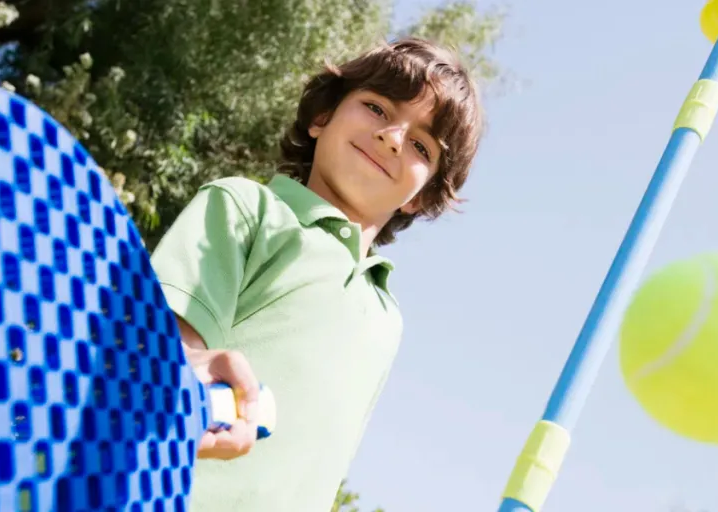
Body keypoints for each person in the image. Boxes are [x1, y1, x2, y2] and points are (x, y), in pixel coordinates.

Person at [149, 37, 484, 511]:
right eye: (376, 107)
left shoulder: (387, 319)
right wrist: (179, 364)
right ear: (321, 117)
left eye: (420, 146)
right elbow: (159, 349)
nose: (392, 136)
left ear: (421, 197)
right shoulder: (248, 208)